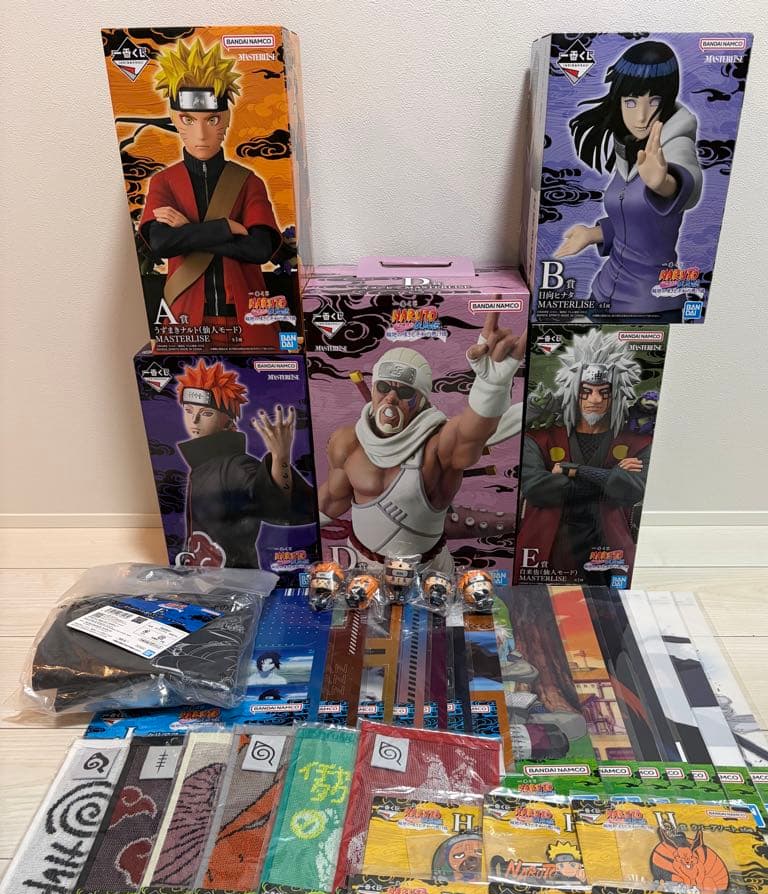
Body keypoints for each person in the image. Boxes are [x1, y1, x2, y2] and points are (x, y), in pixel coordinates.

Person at [318, 312, 525, 572]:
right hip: (363, 567)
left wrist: (490, 387)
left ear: (423, 401)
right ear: (373, 389)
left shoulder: (436, 446)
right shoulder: (347, 442)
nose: (390, 399)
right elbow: (331, 501)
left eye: (404, 392)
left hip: (428, 572)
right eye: (384, 388)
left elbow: (470, 433)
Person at [139, 38, 291, 346]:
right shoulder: (164, 182)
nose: (201, 134)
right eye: (188, 119)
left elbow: (260, 249)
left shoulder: (248, 181)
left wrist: (189, 231)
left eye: (212, 119)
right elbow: (162, 243)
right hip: (185, 319)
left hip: (248, 317)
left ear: (227, 119)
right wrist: (226, 228)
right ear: (174, 119)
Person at [556, 40, 702, 318]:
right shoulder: (627, 148)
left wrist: (664, 183)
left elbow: (688, 185)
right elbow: (636, 223)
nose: (641, 117)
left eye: (654, 101)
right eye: (631, 102)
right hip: (603, 294)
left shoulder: (675, 144)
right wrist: (592, 234)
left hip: (649, 306)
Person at [517, 329, 650, 580]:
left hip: (609, 551)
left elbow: (632, 490)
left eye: (604, 392)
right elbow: (535, 489)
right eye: (586, 391)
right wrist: (610, 477)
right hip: (546, 548)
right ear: (572, 391)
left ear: (617, 393)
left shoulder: (637, 442)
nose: (595, 399)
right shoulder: (539, 437)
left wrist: (574, 470)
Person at [174, 359, 313, 568]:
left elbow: (275, 505)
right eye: (189, 410)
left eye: (207, 413)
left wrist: (280, 458)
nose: (194, 420)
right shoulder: (201, 465)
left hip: (234, 577)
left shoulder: (235, 466)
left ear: (228, 420)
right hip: (205, 574)